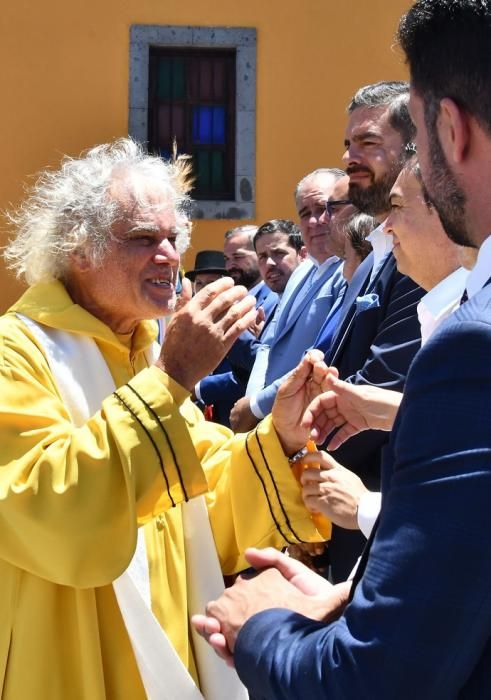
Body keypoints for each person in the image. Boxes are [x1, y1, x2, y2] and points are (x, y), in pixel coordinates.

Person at [194, 1, 491, 696]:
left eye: (411, 133)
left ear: (449, 128)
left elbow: (374, 679)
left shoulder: (470, 348)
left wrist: (264, 624)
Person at [0, 138, 330, 699]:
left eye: (172, 238)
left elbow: (205, 488)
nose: (169, 257)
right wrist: (173, 377)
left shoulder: (145, 350)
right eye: (142, 239)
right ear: (78, 249)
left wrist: (284, 437)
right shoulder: (18, 351)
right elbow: (45, 506)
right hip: (76, 650)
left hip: (173, 635)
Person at [302, 154, 468, 537]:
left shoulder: (470, 328)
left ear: (446, 214)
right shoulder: (440, 311)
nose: (385, 227)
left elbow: (467, 507)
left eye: (396, 207)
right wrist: (396, 411)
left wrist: (365, 508)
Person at [312, 81, 426, 580]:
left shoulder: (428, 257)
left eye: (368, 143)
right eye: (348, 144)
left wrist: (292, 464)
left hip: (384, 515)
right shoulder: (383, 249)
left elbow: (381, 386)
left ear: (415, 149)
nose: (349, 157)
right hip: (349, 511)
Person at [230, 169, 348, 432]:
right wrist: (252, 405)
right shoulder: (302, 271)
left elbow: (324, 354)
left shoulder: (350, 271)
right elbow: (268, 345)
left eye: (323, 208)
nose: (315, 221)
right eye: (305, 213)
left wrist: (257, 405)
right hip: (267, 427)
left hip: (310, 426)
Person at [194, 225, 277, 426]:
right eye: (227, 258)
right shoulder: (237, 297)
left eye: (237, 257)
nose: (230, 265)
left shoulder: (273, 300)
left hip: (251, 415)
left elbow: (264, 363)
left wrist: (199, 388)